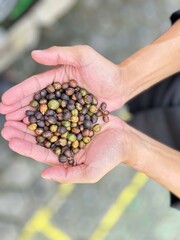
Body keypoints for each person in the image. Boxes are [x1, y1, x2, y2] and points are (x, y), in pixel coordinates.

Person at [0, 11, 179, 208]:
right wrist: (126, 79)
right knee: (146, 96)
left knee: (145, 128)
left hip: (166, 141)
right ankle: (17, 94)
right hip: (168, 81)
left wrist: (131, 148)